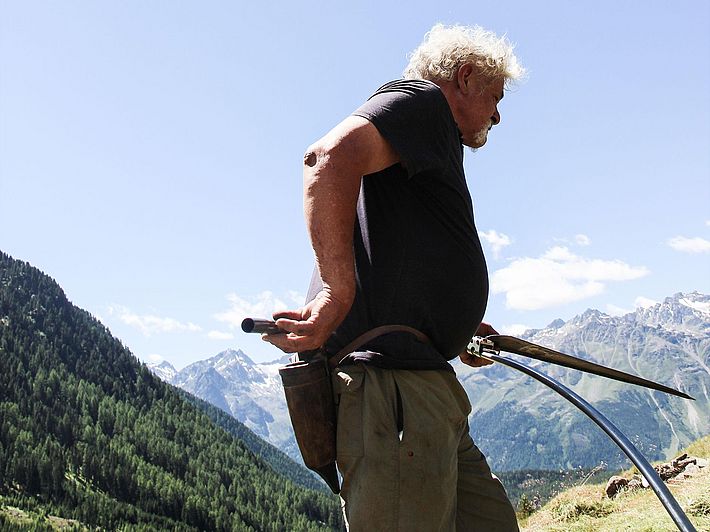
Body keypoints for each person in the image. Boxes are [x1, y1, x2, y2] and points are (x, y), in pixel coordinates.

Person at [264, 23, 524, 531]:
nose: (497, 113)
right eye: (494, 96)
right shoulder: (424, 103)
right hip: (393, 394)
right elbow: (326, 158)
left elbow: (401, 253)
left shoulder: (424, 137)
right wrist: (338, 290)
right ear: (464, 76)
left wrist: (453, 325)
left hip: (422, 387)